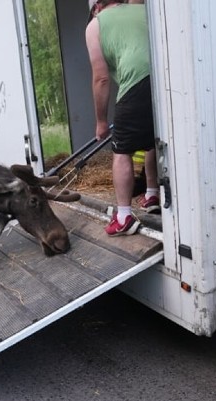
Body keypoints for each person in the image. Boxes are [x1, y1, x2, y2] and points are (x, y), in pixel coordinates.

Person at [86, 0, 161, 237]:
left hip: (136, 81)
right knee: (154, 140)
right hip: (165, 74)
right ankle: (151, 194)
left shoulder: (95, 25)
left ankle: (123, 217)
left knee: (121, 152)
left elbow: (101, 79)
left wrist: (101, 122)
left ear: (97, 7)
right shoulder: (144, 9)